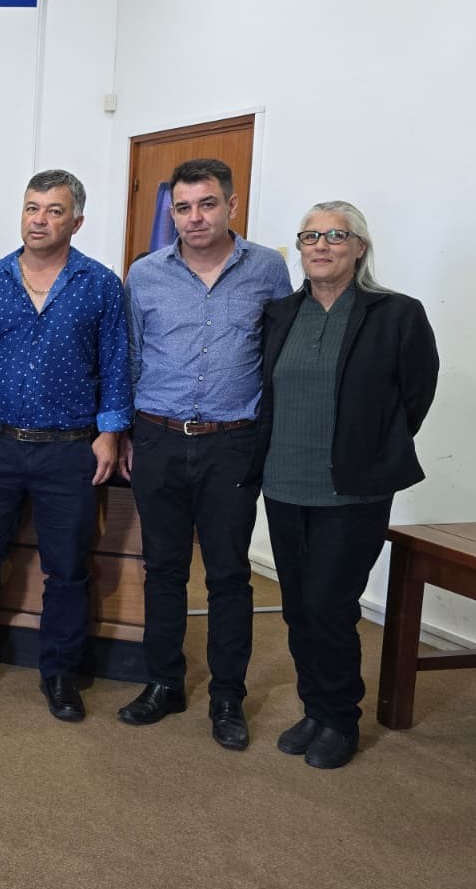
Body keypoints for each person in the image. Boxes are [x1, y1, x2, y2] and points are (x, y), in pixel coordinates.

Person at [248, 201, 438, 769]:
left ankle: (340, 719)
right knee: (297, 608)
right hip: (284, 483)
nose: (321, 246)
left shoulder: (395, 313)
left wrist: (371, 446)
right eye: (310, 237)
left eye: (335, 235)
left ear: (360, 247)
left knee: (330, 605)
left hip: (353, 490)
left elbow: (416, 393)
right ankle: (315, 708)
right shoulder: (281, 313)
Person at [0, 170, 131, 720]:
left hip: (69, 449)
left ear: (77, 222)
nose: (39, 220)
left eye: (53, 210)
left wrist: (110, 433)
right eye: (32, 208)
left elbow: (117, 363)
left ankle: (61, 673)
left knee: (66, 568)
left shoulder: (99, 285)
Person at [116, 158, 292, 750]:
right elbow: (130, 357)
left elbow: (277, 355)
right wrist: (126, 433)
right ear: (173, 213)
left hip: (232, 443)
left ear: (231, 206)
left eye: (207, 204)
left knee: (228, 574)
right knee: (163, 569)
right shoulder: (145, 274)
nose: (195, 217)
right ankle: (164, 683)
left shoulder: (267, 269)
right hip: (158, 437)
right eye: (184, 207)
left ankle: (227, 697)